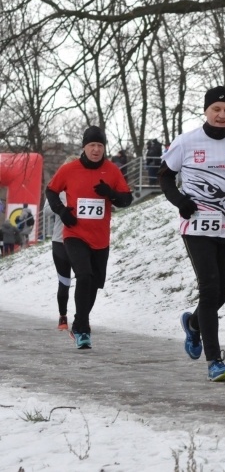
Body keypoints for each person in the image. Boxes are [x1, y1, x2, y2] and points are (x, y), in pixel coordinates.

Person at [159, 86, 225, 382]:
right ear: (206, 111)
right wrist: (180, 201)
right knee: (209, 288)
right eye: (216, 109)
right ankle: (214, 361)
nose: (221, 115)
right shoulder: (187, 142)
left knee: (220, 295)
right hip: (196, 226)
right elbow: (164, 177)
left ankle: (193, 325)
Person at [46, 126, 133, 349]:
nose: (96, 150)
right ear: (84, 147)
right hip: (74, 234)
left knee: (94, 282)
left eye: (100, 146)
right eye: (92, 145)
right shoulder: (70, 169)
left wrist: (110, 194)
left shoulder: (112, 170)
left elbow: (126, 200)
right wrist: (62, 211)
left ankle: (80, 322)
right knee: (83, 275)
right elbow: (51, 190)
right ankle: (83, 328)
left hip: (101, 238)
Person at [43, 178, 75, 330]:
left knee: (85, 280)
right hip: (60, 241)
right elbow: (46, 211)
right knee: (64, 282)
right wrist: (62, 206)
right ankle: (63, 316)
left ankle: (82, 317)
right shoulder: (58, 191)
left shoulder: (87, 190)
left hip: (81, 241)